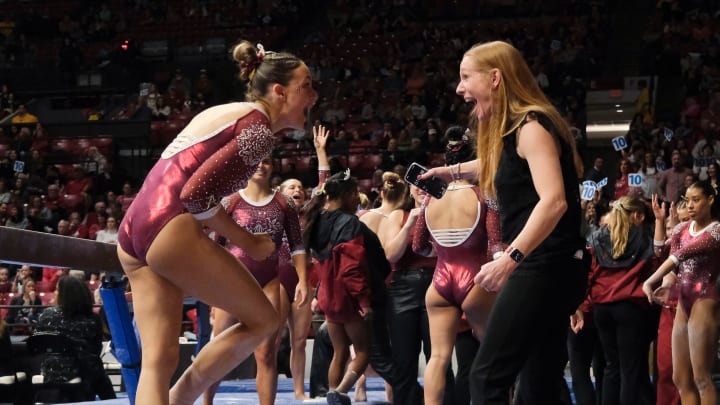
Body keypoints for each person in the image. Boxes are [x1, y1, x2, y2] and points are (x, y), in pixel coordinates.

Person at [116, 40, 318, 405]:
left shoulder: (229, 112)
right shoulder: (257, 128)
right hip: (170, 224)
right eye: (306, 86)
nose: (314, 96)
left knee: (157, 363)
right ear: (279, 90)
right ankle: (180, 400)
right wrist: (250, 242)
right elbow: (194, 196)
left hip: (134, 228)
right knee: (264, 320)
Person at [420, 40, 588, 403]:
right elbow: (499, 165)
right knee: (538, 382)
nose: (459, 88)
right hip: (554, 267)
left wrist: (510, 260)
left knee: (487, 378)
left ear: (495, 78)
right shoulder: (516, 130)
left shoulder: (531, 126)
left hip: (543, 267)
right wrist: (449, 172)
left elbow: (554, 202)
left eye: (466, 77)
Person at [203, 155, 308, 405]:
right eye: (256, 161)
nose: (261, 165)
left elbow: (297, 246)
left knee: (266, 353)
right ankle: (206, 403)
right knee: (218, 349)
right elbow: (215, 248)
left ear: (273, 166)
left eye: (267, 161)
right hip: (232, 283)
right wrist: (211, 293)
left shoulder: (284, 203)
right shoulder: (231, 201)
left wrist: (303, 280)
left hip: (269, 281)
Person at [412, 126, 503, 405]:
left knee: (438, 357)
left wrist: (442, 248)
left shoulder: (430, 197)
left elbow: (418, 246)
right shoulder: (483, 193)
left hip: (440, 280)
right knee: (493, 351)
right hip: (474, 278)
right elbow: (495, 244)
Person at [303, 171, 395, 405]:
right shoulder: (349, 222)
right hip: (349, 298)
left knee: (340, 351)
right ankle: (340, 391)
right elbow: (351, 267)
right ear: (344, 195)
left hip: (329, 297)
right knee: (363, 351)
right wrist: (363, 301)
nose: (357, 198)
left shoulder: (316, 220)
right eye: (354, 194)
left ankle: (333, 394)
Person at [359, 171, 437, 405]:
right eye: (417, 185)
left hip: (437, 283)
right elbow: (391, 254)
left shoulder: (444, 213)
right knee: (404, 359)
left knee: (437, 357)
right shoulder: (398, 216)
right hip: (402, 287)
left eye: (427, 184)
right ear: (409, 189)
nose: (421, 188)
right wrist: (411, 222)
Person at [643, 181, 720, 405]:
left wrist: (650, 280)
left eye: (697, 200)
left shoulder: (716, 231)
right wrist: (659, 221)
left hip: (704, 299)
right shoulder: (680, 229)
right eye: (688, 200)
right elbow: (660, 251)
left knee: (701, 378)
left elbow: (680, 255)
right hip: (683, 301)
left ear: (710, 200)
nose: (691, 205)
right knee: (680, 378)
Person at [584, 195, 658, 404]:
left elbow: (589, 274)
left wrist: (581, 305)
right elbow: (654, 269)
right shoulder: (646, 237)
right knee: (630, 369)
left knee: (611, 367)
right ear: (637, 215)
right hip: (630, 308)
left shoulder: (597, 237)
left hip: (601, 310)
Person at [275, 125, 331, 400]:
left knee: (298, 340)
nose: (297, 189)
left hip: (301, 282)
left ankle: (299, 392)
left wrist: (321, 152)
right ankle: (267, 390)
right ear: (280, 192)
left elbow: (324, 187)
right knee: (271, 341)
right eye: (291, 187)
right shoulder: (271, 212)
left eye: (299, 187)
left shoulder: (308, 215)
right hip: (277, 281)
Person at [34, 275, 116, 401]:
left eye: (57, 290)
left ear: (64, 294)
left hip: (50, 371)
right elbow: (95, 350)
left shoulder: (46, 315)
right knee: (98, 374)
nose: (55, 293)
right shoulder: (92, 318)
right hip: (82, 371)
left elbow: (38, 343)